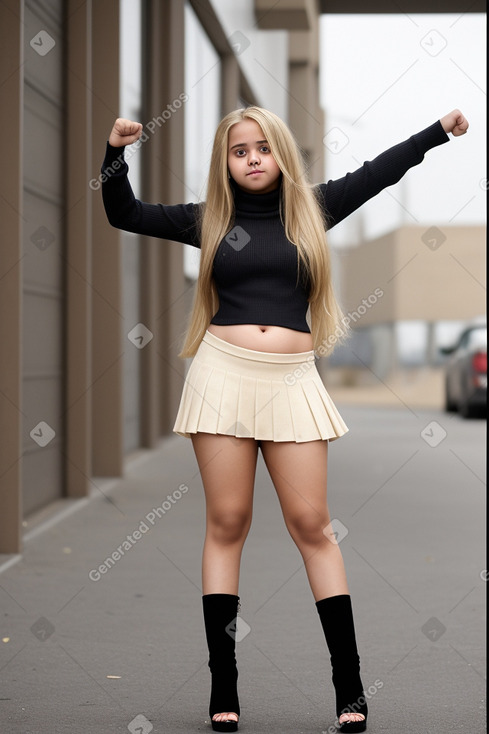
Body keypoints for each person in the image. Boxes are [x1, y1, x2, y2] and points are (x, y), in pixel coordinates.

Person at [101, 105, 468, 732]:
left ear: (281, 155)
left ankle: (349, 688)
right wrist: (114, 153)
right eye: (239, 150)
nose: (252, 158)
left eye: (263, 148)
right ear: (226, 161)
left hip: (292, 382)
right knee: (227, 521)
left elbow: (379, 173)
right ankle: (225, 686)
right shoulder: (208, 221)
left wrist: (435, 133)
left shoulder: (313, 209)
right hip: (221, 376)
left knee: (312, 524)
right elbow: (124, 213)